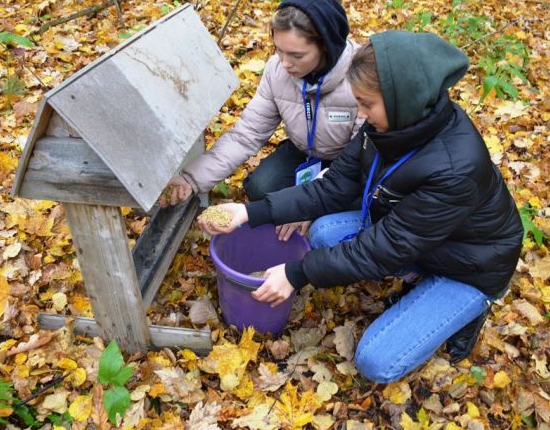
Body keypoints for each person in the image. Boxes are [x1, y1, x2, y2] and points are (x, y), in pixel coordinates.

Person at [198, 30, 524, 383]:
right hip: (417, 239)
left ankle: (469, 308)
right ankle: (416, 277)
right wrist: (249, 213)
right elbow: (333, 187)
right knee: (322, 232)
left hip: (468, 267)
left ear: (405, 100)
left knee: (375, 362)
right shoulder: (387, 127)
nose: (362, 113)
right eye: (359, 102)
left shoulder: (454, 168)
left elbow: (384, 250)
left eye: (368, 103)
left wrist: (295, 273)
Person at [161, 0, 362, 238]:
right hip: (305, 154)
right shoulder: (277, 71)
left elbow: (361, 160)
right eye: (279, 50)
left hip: (350, 165)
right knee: (261, 186)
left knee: (339, 211)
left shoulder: (361, 79)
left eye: (297, 55)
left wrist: (308, 205)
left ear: (327, 47)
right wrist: (191, 179)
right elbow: (246, 135)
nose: (285, 63)